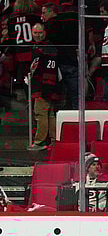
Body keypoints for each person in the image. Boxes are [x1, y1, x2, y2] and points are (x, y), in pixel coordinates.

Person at [28, 22, 58, 151]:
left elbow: (38, 69)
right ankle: (54, 141)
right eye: (35, 33)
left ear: (45, 32)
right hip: (51, 86)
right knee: (50, 115)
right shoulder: (49, 46)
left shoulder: (42, 49)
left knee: (41, 114)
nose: (38, 35)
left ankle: (39, 142)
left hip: (43, 86)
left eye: (40, 32)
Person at [42, 3, 77, 110]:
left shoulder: (49, 26)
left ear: (52, 12)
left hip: (57, 64)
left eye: (44, 13)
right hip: (71, 61)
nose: (42, 16)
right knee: (75, 95)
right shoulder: (70, 22)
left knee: (59, 94)